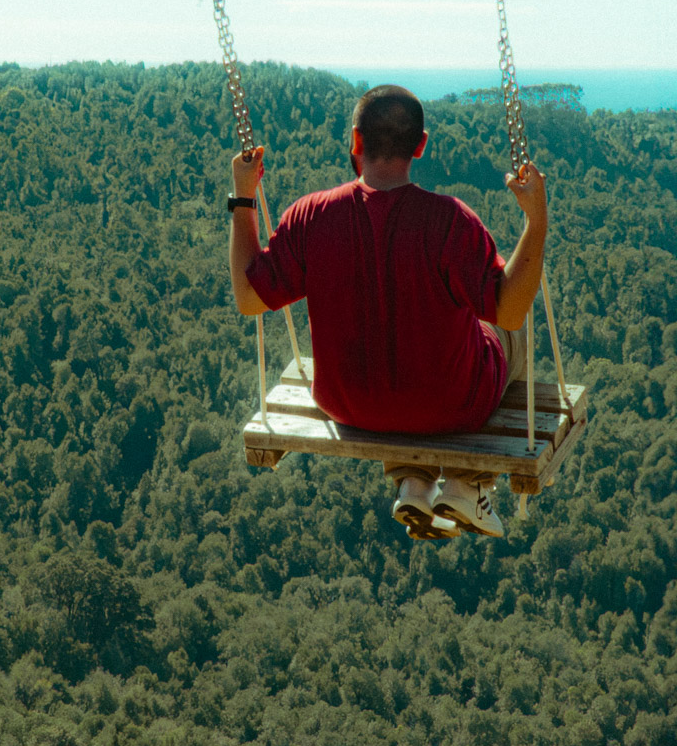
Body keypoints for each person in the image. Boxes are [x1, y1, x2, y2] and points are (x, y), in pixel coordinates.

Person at [227, 85, 548, 539]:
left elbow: (248, 296)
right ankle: (465, 483)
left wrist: (243, 198)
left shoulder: (311, 216)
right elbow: (510, 311)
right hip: (453, 405)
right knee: (505, 333)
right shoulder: (451, 221)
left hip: (348, 404)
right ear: (421, 145)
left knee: (395, 342)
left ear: (356, 143)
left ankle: (414, 480)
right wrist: (536, 222)